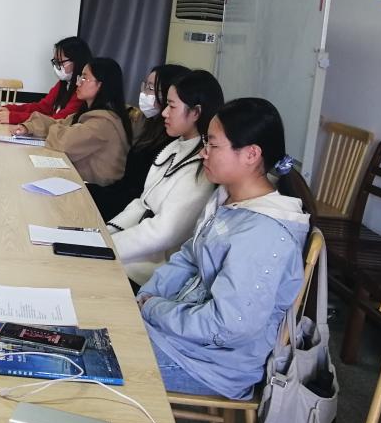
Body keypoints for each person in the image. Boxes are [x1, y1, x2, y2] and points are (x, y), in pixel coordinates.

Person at [136, 98, 309, 400]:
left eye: (213, 145)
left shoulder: (264, 233)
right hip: (181, 337)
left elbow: (227, 326)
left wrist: (154, 308)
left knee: (89, 360)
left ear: (251, 154)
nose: (203, 152)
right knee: (91, 332)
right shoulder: (226, 198)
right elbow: (188, 258)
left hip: (210, 365)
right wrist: (146, 297)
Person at [109, 69, 224, 287]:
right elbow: (142, 204)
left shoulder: (202, 166)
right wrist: (107, 234)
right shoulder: (175, 147)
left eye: (171, 106)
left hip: (150, 272)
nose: (164, 113)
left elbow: (163, 233)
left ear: (196, 112)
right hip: (132, 254)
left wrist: (108, 247)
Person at [88, 63, 190, 220]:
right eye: (145, 86)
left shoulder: (171, 141)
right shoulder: (149, 127)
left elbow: (139, 195)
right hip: (120, 199)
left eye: (151, 88)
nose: (144, 93)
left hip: (128, 210)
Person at [13, 57, 133, 186]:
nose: (78, 83)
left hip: (97, 191)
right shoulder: (88, 111)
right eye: (80, 77)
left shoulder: (104, 122)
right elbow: (60, 123)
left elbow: (63, 142)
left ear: (101, 85)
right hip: (80, 181)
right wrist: (29, 127)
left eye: (84, 78)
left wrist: (48, 128)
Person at [0, 36, 92, 124]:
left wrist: (13, 117)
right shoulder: (63, 84)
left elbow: (58, 120)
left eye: (60, 62)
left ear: (76, 61)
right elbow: (42, 107)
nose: (56, 67)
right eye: (55, 62)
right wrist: (9, 109)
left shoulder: (83, 91)